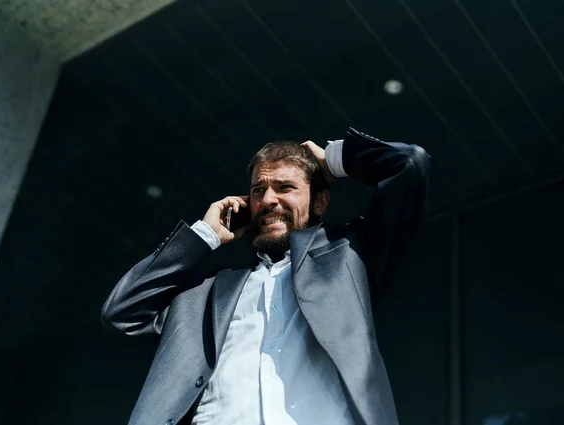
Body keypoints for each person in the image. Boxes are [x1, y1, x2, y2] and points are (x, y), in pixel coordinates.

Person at [101, 127, 432, 425]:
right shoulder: (207, 294)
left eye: (284, 187)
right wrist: (204, 235)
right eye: (258, 190)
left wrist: (331, 160)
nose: (268, 200)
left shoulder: (350, 255)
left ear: (319, 202)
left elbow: (410, 164)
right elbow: (124, 310)